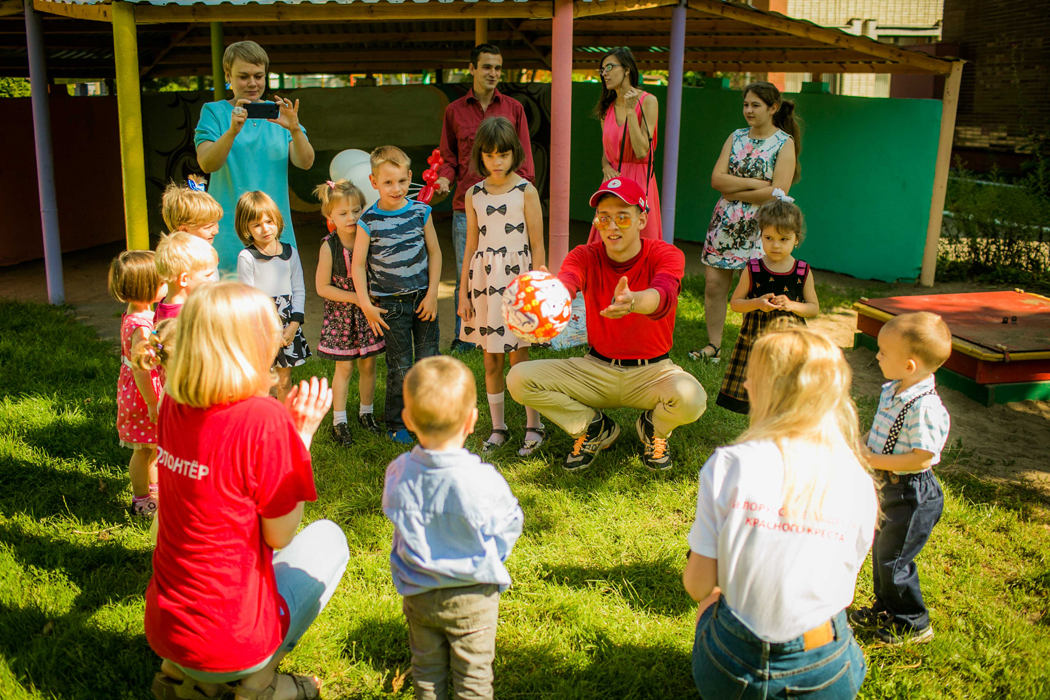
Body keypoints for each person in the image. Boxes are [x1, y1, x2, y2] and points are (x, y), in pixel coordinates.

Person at [144, 282, 348, 700]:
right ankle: (260, 684)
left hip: (167, 629)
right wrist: (300, 437)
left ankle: (186, 679)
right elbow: (280, 534)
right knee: (330, 539)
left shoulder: (172, 404)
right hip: (235, 639)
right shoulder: (263, 418)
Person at [683, 327, 877, 700]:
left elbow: (698, 586)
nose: (744, 383)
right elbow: (845, 591)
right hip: (826, 670)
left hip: (731, 668)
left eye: (751, 376)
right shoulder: (859, 479)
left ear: (765, 389)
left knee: (711, 601)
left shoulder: (728, 465)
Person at [507, 178, 706, 472]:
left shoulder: (665, 254)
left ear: (642, 219)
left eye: (623, 217)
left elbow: (663, 295)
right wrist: (551, 294)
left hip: (652, 372)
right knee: (519, 378)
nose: (612, 226)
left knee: (692, 399)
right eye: (604, 218)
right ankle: (594, 427)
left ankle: (654, 428)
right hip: (596, 369)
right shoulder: (584, 255)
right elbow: (568, 282)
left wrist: (634, 301)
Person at [382, 356, 524, 700]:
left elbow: (394, 514)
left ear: (407, 419)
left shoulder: (399, 471)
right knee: (473, 677)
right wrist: (493, 554)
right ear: (472, 420)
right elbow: (510, 524)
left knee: (427, 673)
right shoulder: (483, 480)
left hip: (420, 590)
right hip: (474, 594)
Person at [851, 311, 952, 645]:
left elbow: (923, 456)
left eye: (882, 352)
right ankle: (886, 608)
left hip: (912, 494)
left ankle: (914, 623)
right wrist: (863, 444)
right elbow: (881, 429)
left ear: (909, 366)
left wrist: (873, 459)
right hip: (889, 487)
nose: (876, 356)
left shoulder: (924, 407)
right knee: (882, 552)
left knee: (895, 560)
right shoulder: (893, 390)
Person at [692, 81, 801, 364]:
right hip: (725, 222)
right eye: (745, 105)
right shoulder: (736, 137)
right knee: (714, 284)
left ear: (773, 108)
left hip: (761, 226)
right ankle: (713, 346)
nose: (748, 111)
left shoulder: (783, 143)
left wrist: (734, 189)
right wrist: (755, 183)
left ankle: (754, 351)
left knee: (756, 288)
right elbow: (717, 180)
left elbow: (778, 192)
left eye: (755, 105)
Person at [436, 43, 535, 353]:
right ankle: (465, 336)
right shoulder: (454, 110)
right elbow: (448, 157)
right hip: (468, 202)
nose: (493, 73)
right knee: (468, 271)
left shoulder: (514, 109)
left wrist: (522, 200)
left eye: (498, 68)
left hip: (509, 208)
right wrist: (443, 178)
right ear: (473, 69)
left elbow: (525, 161)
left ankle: (515, 331)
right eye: (487, 67)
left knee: (512, 271)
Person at [457, 117, 547, 456]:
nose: (497, 162)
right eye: (490, 155)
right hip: (483, 281)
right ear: (481, 156)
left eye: (503, 155)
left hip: (517, 282)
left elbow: (537, 245)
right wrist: (464, 292)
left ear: (515, 154)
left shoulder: (526, 191)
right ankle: (498, 427)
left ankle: (533, 426)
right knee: (490, 359)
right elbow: (470, 245)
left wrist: (537, 287)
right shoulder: (474, 194)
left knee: (518, 358)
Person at [195, 41, 315, 272]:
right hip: (228, 232)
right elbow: (207, 163)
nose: (252, 83)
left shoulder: (281, 113)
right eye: (243, 76)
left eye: (258, 76)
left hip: (274, 231)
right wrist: (231, 131)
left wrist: (295, 129)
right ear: (228, 75)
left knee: (277, 304)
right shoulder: (214, 112)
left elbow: (306, 162)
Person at [351, 146, 442, 444]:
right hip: (390, 305)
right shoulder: (369, 220)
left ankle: (430, 418)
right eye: (388, 182)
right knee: (401, 366)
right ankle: (397, 421)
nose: (396, 188)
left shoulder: (421, 212)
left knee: (428, 360)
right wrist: (366, 304)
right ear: (373, 181)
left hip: (423, 300)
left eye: (402, 181)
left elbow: (436, 253)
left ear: (410, 178)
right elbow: (358, 265)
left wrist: (432, 296)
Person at [716, 193, 818, 414]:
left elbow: (813, 308)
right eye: (769, 238)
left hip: (790, 341)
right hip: (757, 339)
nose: (776, 245)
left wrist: (792, 305)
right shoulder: (753, 269)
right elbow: (736, 303)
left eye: (784, 240)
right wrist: (757, 303)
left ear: (796, 239)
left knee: (786, 387)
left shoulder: (802, 271)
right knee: (759, 386)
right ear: (761, 236)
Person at [312, 179, 385, 446]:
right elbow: (322, 287)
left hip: (368, 315)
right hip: (343, 316)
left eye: (356, 211)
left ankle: (367, 413)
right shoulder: (328, 245)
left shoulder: (369, 239)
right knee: (345, 367)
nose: (351, 217)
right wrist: (358, 298)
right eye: (343, 213)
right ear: (329, 216)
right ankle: (339, 421)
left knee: (369, 365)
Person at [236, 191, 311, 403]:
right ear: (246, 228)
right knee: (262, 381)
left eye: (269, 221)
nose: (265, 229)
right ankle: (260, 424)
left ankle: (283, 424)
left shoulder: (290, 252)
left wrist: (294, 325)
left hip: (289, 325)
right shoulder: (247, 257)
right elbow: (247, 297)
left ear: (277, 220)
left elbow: (299, 289)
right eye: (256, 225)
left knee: (284, 381)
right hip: (260, 325)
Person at [108, 250, 165, 517]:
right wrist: (153, 402)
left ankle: (153, 492)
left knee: (150, 446)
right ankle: (142, 500)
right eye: (163, 280)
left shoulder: (135, 315)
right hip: (143, 395)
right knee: (143, 451)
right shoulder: (142, 327)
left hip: (138, 391)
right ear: (147, 287)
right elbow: (143, 369)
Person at [587, 48, 661, 244]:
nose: (605, 74)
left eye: (610, 67)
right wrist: (606, 167)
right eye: (602, 70)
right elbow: (607, 154)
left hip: (639, 180)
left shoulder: (648, 101)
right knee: (607, 241)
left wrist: (630, 112)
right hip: (613, 183)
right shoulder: (606, 109)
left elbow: (642, 150)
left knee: (638, 242)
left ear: (627, 69)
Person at [154, 232, 220, 323]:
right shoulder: (188, 316)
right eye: (207, 275)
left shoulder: (164, 304)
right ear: (184, 279)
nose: (212, 280)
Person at [161, 176, 224, 244]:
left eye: (216, 222)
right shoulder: (182, 254)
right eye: (208, 227)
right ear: (184, 230)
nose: (216, 231)